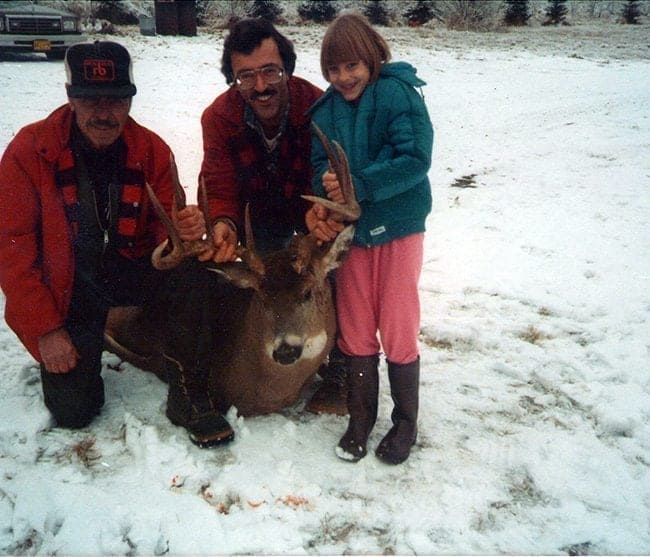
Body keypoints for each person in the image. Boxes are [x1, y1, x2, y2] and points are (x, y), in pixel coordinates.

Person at [0, 40, 220, 448]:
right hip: (67, 290)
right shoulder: (29, 153)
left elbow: (164, 227)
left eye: (117, 100)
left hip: (127, 269)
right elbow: (12, 253)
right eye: (90, 99)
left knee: (193, 270)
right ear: (70, 98)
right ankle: (90, 340)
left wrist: (179, 235)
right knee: (74, 410)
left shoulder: (151, 151)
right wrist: (46, 330)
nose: (104, 113)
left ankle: (189, 389)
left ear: (130, 100)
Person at [180, 17, 347, 421]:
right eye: (245, 76)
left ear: (286, 68)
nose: (260, 86)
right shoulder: (219, 117)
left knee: (338, 267)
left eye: (270, 71)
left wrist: (322, 209)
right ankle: (207, 370)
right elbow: (218, 181)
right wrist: (222, 222)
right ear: (233, 80)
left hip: (304, 217)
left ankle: (342, 368)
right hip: (253, 223)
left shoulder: (319, 106)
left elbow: (327, 169)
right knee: (218, 277)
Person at [308, 13, 434, 464]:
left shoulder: (399, 94)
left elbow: (415, 157)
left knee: (398, 323)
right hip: (352, 238)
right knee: (356, 323)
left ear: (373, 57)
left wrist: (358, 184)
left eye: (352, 66)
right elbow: (317, 167)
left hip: (399, 230)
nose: (344, 78)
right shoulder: (324, 112)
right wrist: (325, 196)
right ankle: (359, 419)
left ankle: (405, 424)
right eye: (334, 70)